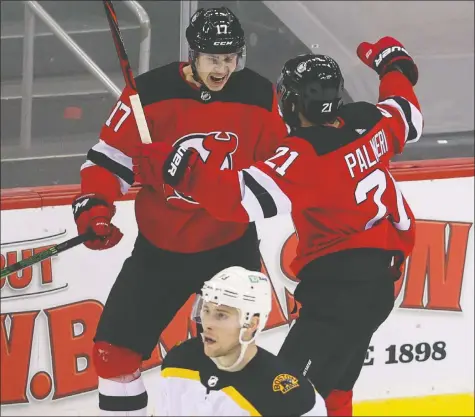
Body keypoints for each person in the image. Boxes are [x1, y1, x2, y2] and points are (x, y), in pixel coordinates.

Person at [133, 36, 423, 416]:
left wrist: (178, 167)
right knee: (334, 389)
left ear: (291, 102)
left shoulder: (306, 154)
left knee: (281, 397)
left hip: (339, 293)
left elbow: (240, 200)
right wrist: (391, 63)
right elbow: (406, 109)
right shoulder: (372, 122)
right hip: (380, 285)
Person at [71, 6, 288, 415]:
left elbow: (283, 166)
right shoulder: (149, 93)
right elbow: (107, 161)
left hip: (229, 245)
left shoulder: (259, 95)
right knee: (112, 355)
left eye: (230, 59)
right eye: (213, 59)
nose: (222, 69)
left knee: (227, 355)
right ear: (194, 55)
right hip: (161, 247)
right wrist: (95, 208)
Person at [152, 266, 326, 416]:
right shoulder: (179, 362)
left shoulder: (291, 397)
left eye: (221, 315)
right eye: (206, 310)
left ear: (251, 323)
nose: (208, 324)